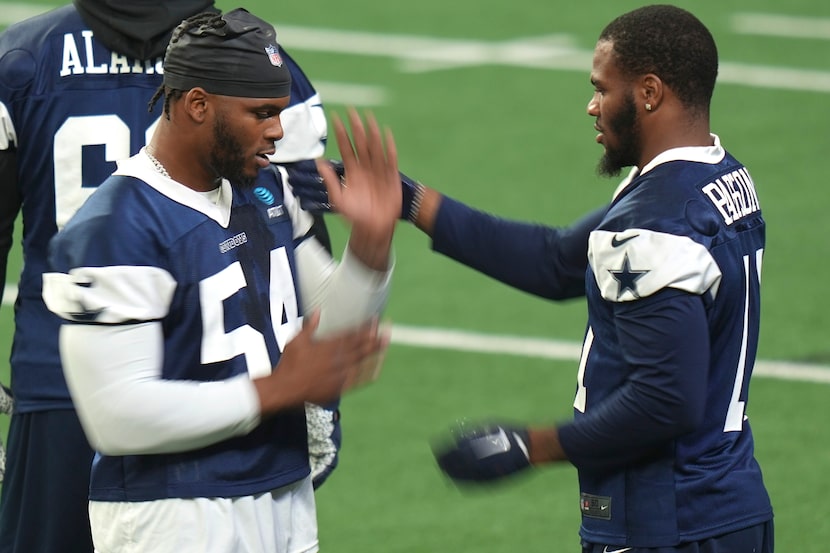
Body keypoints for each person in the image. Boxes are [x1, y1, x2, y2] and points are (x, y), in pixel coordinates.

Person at [416, 5, 775, 552]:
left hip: (665, 522)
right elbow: (560, 260)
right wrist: (409, 201)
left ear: (649, 92)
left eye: (602, 89)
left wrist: (529, 445)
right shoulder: (714, 176)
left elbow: (664, 401)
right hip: (724, 508)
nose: (592, 106)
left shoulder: (653, 223)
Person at [41, 8, 399, 553]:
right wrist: (276, 390)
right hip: (173, 514)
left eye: (278, 112)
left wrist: (370, 247)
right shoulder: (118, 228)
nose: (278, 131)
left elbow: (323, 333)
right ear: (198, 105)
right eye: (260, 113)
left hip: (281, 492)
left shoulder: (265, 192)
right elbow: (116, 416)